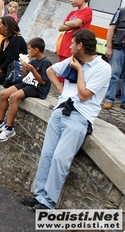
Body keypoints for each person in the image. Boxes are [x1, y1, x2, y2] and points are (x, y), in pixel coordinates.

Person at [20, 29, 111, 210]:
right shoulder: (73, 61)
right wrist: (63, 92)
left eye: (72, 43)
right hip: (61, 110)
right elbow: (51, 70)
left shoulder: (102, 68)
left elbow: (84, 95)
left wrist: (79, 70)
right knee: (47, 154)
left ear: (80, 46)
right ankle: (39, 196)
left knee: (60, 159)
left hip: (80, 115)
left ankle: (49, 202)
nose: (68, 46)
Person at [0, 37, 52, 142]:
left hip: (37, 88)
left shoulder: (46, 62)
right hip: (27, 83)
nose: (28, 51)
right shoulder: (34, 60)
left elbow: (43, 81)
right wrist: (24, 67)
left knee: (13, 97)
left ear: (36, 50)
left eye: (30, 49)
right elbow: (25, 76)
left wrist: (33, 70)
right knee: (4, 94)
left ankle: (9, 128)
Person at [57, 0, 92, 71]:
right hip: (64, 47)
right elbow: (60, 28)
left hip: (75, 48)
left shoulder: (87, 10)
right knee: (61, 74)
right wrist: (69, 23)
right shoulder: (72, 13)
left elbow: (76, 23)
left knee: (70, 74)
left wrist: (67, 24)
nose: (71, 0)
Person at [103, 7, 125, 110]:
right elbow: (111, 29)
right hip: (118, 47)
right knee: (114, 74)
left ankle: (123, 102)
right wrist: (109, 47)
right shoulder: (121, 11)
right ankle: (109, 100)